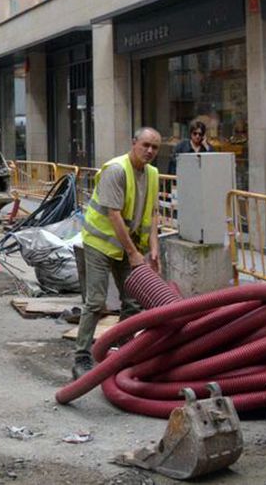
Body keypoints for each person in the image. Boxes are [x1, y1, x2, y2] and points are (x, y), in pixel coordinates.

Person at [71, 127, 162, 380]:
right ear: (134, 143)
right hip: (100, 243)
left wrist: (154, 248)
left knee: (132, 301)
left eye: (155, 147)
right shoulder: (116, 170)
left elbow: (153, 213)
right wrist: (134, 254)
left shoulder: (152, 174)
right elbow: (113, 215)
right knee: (96, 300)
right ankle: (81, 356)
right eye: (145, 145)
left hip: (127, 246)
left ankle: (123, 349)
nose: (150, 151)